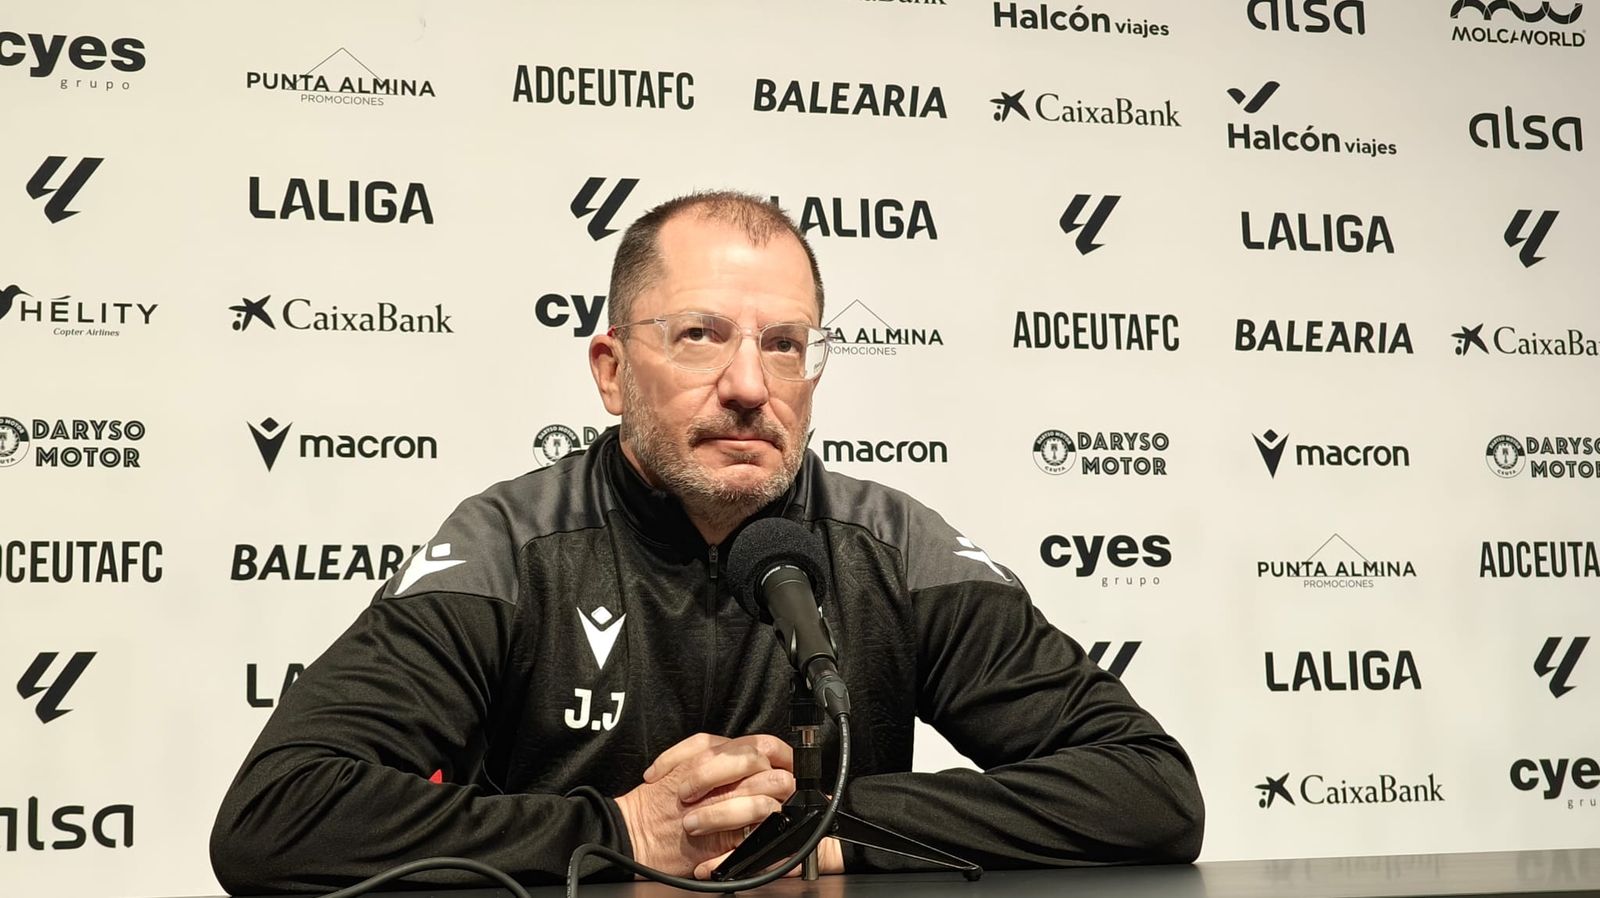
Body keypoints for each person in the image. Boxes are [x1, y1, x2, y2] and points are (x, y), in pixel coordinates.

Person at [209, 191, 1204, 893]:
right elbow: (278, 817)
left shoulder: (895, 544)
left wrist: (825, 828)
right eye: (699, 335)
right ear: (611, 371)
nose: (749, 384)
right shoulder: (510, 545)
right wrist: (624, 831)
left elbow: (1150, 790)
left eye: (784, 344)